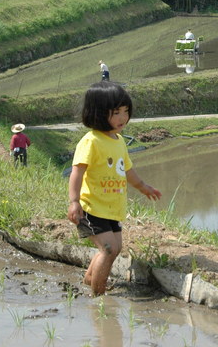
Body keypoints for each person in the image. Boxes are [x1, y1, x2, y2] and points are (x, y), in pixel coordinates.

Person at [67, 82, 161, 296]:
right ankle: (98, 298)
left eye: (126, 111)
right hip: (91, 208)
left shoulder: (118, 141)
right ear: (98, 113)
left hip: (111, 208)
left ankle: (90, 279)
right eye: (116, 112)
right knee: (108, 249)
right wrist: (74, 202)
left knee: (114, 249)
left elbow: (127, 170)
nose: (123, 118)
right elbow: (77, 172)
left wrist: (143, 187)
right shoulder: (91, 141)